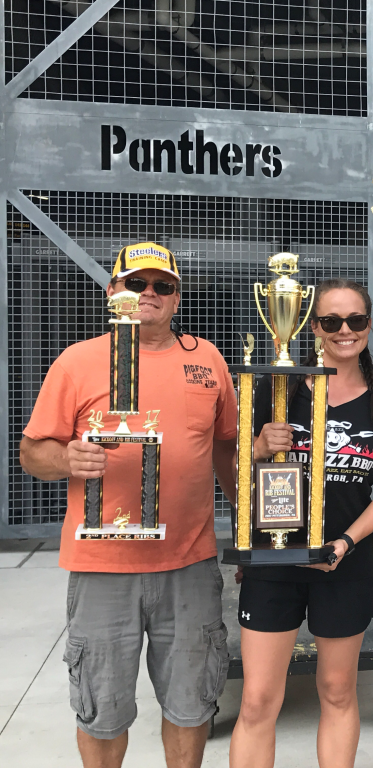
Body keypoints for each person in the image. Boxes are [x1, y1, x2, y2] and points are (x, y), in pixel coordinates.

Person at [19, 242, 237, 768]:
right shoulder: (77, 362)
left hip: (188, 563)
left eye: (164, 285)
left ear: (177, 298)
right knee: (102, 710)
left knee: (191, 705)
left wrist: (252, 532)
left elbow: (227, 448)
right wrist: (67, 457)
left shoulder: (207, 360)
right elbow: (32, 452)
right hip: (102, 568)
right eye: (137, 282)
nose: (149, 293)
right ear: (112, 290)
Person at [229, 278, 373, 768]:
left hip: (344, 563)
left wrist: (345, 543)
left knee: (336, 690)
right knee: (257, 700)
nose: (344, 330)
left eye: (355, 320)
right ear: (313, 327)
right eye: (331, 321)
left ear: (369, 325)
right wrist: (258, 448)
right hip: (274, 559)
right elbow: (236, 472)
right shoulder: (276, 388)